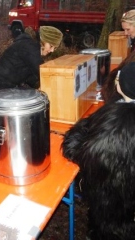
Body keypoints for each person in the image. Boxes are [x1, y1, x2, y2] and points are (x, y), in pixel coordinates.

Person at [61, 63, 135, 239]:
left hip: (112, 215)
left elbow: (77, 150)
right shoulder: (115, 113)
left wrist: (80, 130)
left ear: (120, 85)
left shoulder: (115, 122)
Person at [0, 26, 63, 93]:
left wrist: (38, 86)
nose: (52, 50)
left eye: (54, 48)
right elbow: (42, 71)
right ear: (43, 41)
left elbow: (30, 75)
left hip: (1, 83)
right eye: (51, 46)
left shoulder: (31, 47)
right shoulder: (29, 47)